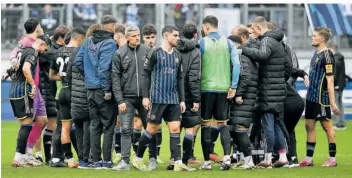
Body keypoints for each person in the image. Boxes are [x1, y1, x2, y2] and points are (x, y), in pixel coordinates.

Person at [132, 25, 195, 172]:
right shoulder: (155, 53)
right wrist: (146, 96)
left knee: (175, 128)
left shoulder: (177, 55)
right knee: (151, 129)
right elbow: (145, 75)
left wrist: (182, 100)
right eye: (175, 35)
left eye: (178, 35)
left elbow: (180, 79)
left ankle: (178, 163)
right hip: (157, 98)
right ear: (166, 36)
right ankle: (138, 158)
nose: (177, 38)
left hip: (173, 99)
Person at [241, 16, 288, 168]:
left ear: (259, 28)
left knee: (268, 124)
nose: (253, 33)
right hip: (277, 89)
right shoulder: (277, 41)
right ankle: (282, 156)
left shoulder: (267, 40)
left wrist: (243, 49)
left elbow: (262, 56)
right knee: (275, 124)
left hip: (269, 90)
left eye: (253, 30)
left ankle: (267, 159)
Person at [75, 15, 118, 169]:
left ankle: (95, 160)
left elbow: (78, 61)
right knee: (108, 126)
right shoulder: (110, 43)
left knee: (94, 125)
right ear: (112, 27)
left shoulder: (88, 41)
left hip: (90, 89)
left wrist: (88, 77)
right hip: (103, 89)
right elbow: (104, 68)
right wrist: (107, 89)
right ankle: (106, 161)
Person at [199, 15, 240, 171]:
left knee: (205, 124)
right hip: (224, 88)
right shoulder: (229, 43)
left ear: (207, 27)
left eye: (203, 28)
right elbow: (236, 65)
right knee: (222, 124)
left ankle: (207, 162)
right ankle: (227, 158)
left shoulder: (201, 43)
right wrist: (233, 86)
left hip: (206, 88)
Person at [111, 25, 151, 171]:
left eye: (138, 35)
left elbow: (153, 75)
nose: (137, 38)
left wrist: (149, 96)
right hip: (126, 98)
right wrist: (120, 100)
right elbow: (115, 78)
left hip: (144, 98)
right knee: (126, 129)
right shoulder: (119, 53)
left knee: (150, 128)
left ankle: (152, 159)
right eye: (134, 36)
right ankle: (125, 161)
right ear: (127, 38)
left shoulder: (147, 51)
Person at [299, 27, 340, 167]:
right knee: (308, 125)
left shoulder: (327, 55)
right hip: (311, 97)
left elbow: (330, 80)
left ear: (322, 39)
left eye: (314, 36)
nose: (312, 37)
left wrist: (332, 102)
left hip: (321, 98)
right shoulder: (316, 53)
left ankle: (332, 159)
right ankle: (309, 159)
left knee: (326, 126)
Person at [10, 35, 51, 167]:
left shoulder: (24, 50)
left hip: (15, 90)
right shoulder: (32, 53)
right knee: (26, 125)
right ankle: (19, 157)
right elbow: (26, 69)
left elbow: (15, 67)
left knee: (32, 122)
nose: (44, 52)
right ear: (42, 44)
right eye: (45, 49)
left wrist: (6, 73)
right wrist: (33, 85)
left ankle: (23, 155)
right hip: (24, 91)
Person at [49, 27, 86, 168]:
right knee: (82, 126)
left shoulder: (58, 51)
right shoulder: (78, 52)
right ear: (79, 38)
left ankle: (70, 160)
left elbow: (51, 75)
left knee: (65, 127)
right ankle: (85, 158)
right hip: (76, 92)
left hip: (62, 92)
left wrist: (63, 77)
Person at [67, 24, 100, 169]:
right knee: (87, 128)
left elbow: (68, 74)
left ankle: (81, 159)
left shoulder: (75, 51)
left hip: (74, 97)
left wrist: (72, 88)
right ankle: (87, 159)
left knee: (78, 128)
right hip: (86, 95)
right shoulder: (91, 51)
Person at [227, 27, 258, 170]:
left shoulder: (241, 56)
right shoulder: (242, 55)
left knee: (240, 129)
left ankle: (249, 161)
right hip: (244, 97)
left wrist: (238, 93)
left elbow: (246, 77)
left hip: (244, 98)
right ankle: (242, 159)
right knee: (234, 129)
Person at [39, 25, 71, 164]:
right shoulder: (53, 53)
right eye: (67, 38)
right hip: (54, 93)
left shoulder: (50, 52)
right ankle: (54, 156)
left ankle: (52, 156)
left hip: (52, 92)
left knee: (55, 125)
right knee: (56, 125)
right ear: (60, 39)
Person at [175, 22, 202, 166]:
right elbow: (193, 78)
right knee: (190, 128)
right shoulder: (196, 52)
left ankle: (174, 159)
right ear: (195, 35)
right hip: (190, 96)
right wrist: (196, 99)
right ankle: (185, 160)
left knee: (175, 127)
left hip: (175, 94)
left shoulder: (175, 48)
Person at [112, 24, 127, 163]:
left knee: (128, 123)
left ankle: (128, 152)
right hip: (118, 90)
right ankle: (118, 152)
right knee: (118, 122)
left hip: (127, 91)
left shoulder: (128, 50)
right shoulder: (114, 49)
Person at [328, 43, 346, 130]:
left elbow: (334, 73)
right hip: (340, 84)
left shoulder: (335, 58)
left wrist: (332, 83)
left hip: (336, 84)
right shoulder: (340, 57)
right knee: (340, 103)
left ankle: (339, 123)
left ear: (332, 49)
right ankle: (341, 122)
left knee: (336, 104)